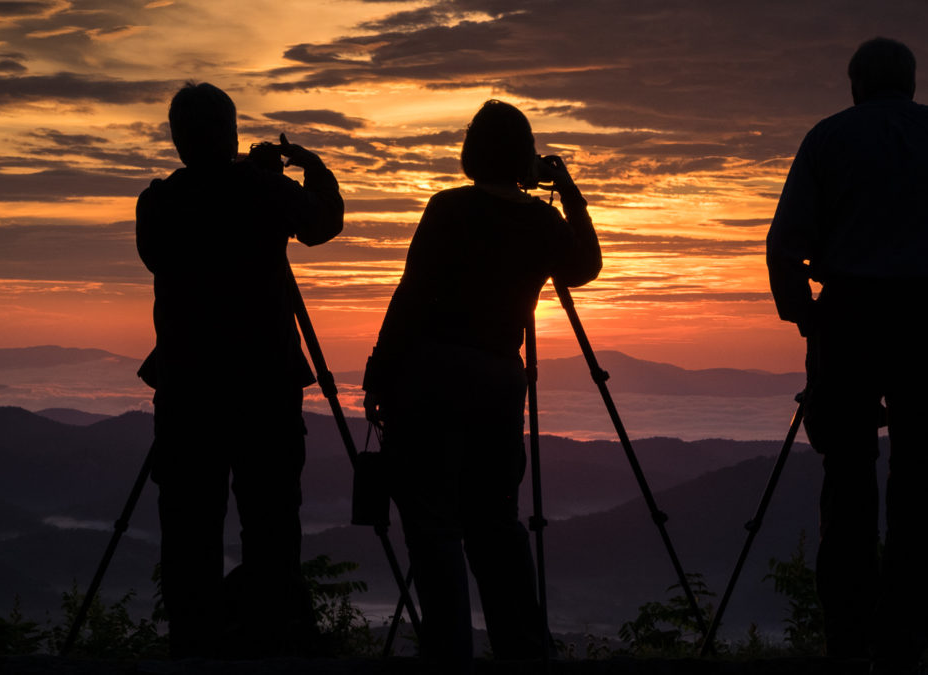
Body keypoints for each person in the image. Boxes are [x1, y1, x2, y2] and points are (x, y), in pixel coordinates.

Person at [766, 38, 928, 673]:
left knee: (846, 481)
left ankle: (847, 642)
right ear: (914, 83)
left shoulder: (828, 138)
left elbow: (785, 243)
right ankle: (903, 646)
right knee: (921, 488)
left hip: (850, 319)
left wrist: (806, 317)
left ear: (854, 85)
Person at [362, 100, 601, 672]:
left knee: (435, 525)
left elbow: (412, 295)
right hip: (499, 377)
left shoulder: (447, 209)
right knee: (496, 522)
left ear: (472, 152)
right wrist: (566, 188)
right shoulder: (541, 222)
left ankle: (450, 656)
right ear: (525, 157)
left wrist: (379, 369)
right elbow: (586, 265)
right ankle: (523, 651)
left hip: (430, 375)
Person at [136, 82, 344, 658]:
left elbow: (160, 253)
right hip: (265, 388)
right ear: (229, 133)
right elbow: (322, 224)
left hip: (186, 389)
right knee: (272, 524)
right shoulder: (263, 190)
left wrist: (247, 177)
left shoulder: (157, 203)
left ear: (179, 141)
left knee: (188, 529)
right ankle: (271, 642)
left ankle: (193, 645)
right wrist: (305, 168)